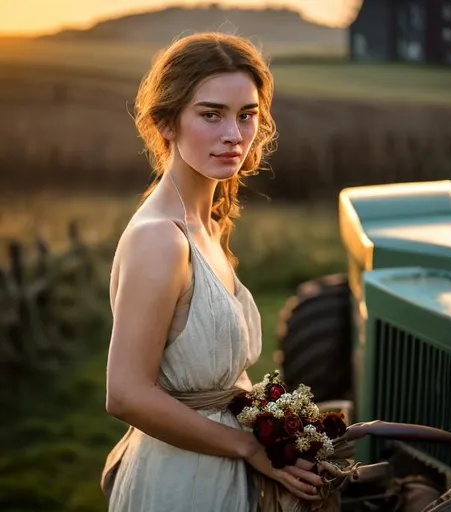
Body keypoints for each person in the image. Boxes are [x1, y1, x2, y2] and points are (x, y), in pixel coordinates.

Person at [101, 32, 324, 511]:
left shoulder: (210, 221)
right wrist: (249, 446)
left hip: (221, 466)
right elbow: (125, 394)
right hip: (183, 480)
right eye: (211, 114)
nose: (234, 134)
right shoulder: (159, 238)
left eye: (247, 115)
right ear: (165, 122)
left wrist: (278, 428)